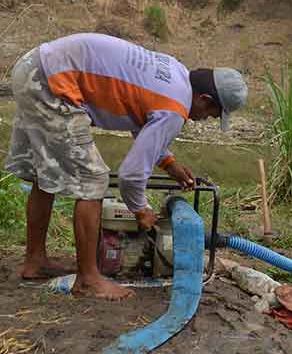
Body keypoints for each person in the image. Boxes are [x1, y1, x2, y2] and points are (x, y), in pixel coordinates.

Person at [4, 33, 248, 299]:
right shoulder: (174, 109)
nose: (205, 120)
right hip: (53, 84)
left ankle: (35, 261)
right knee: (94, 180)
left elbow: (140, 121)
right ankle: (88, 280)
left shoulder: (175, 72)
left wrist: (170, 164)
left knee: (45, 172)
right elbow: (131, 176)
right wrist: (141, 209)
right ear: (205, 99)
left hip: (36, 67)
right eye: (212, 115)